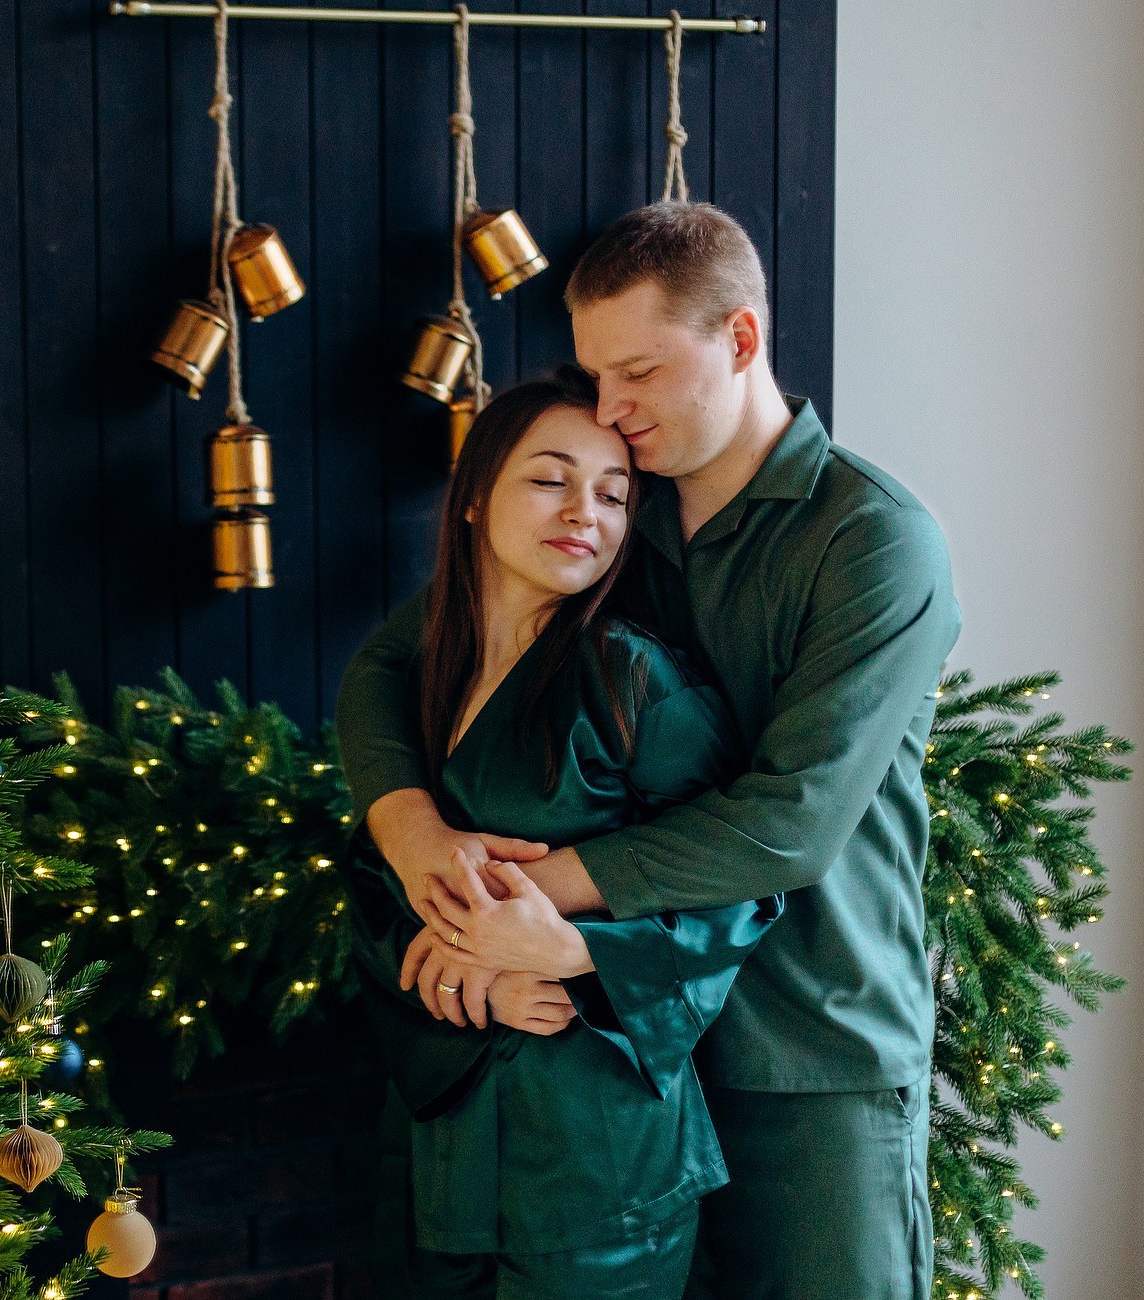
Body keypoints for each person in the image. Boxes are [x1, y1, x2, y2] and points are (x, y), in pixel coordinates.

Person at [337, 202, 961, 1300]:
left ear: (742, 339)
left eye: (638, 374)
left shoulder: (875, 538)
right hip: (634, 1058)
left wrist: (523, 915)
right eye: (593, 377)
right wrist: (417, 835)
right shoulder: (616, 510)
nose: (609, 414)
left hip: (806, 1052)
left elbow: (791, 820)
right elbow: (393, 662)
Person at [341, 364, 779, 1299]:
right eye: (550, 479)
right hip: (439, 1140)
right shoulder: (424, 679)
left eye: (615, 495)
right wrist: (464, 976)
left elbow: (739, 890)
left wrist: (578, 951)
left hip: (599, 1159)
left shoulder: (632, 678)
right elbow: (374, 887)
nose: (587, 511)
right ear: (473, 499)